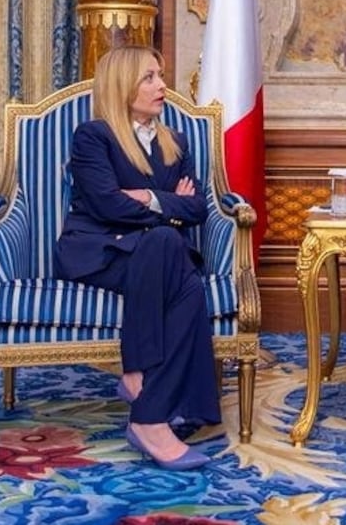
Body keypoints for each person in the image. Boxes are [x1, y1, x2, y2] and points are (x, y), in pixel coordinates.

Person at [55, 45, 221, 471]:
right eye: (150, 77)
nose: (162, 85)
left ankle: (145, 400)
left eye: (159, 75)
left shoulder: (175, 142)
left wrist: (147, 196)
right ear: (122, 85)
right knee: (169, 245)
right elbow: (107, 205)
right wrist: (168, 204)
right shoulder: (94, 136)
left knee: (177, 265)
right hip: (101, 252)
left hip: (154, 255)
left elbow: (197, 208)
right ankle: (159, 409)